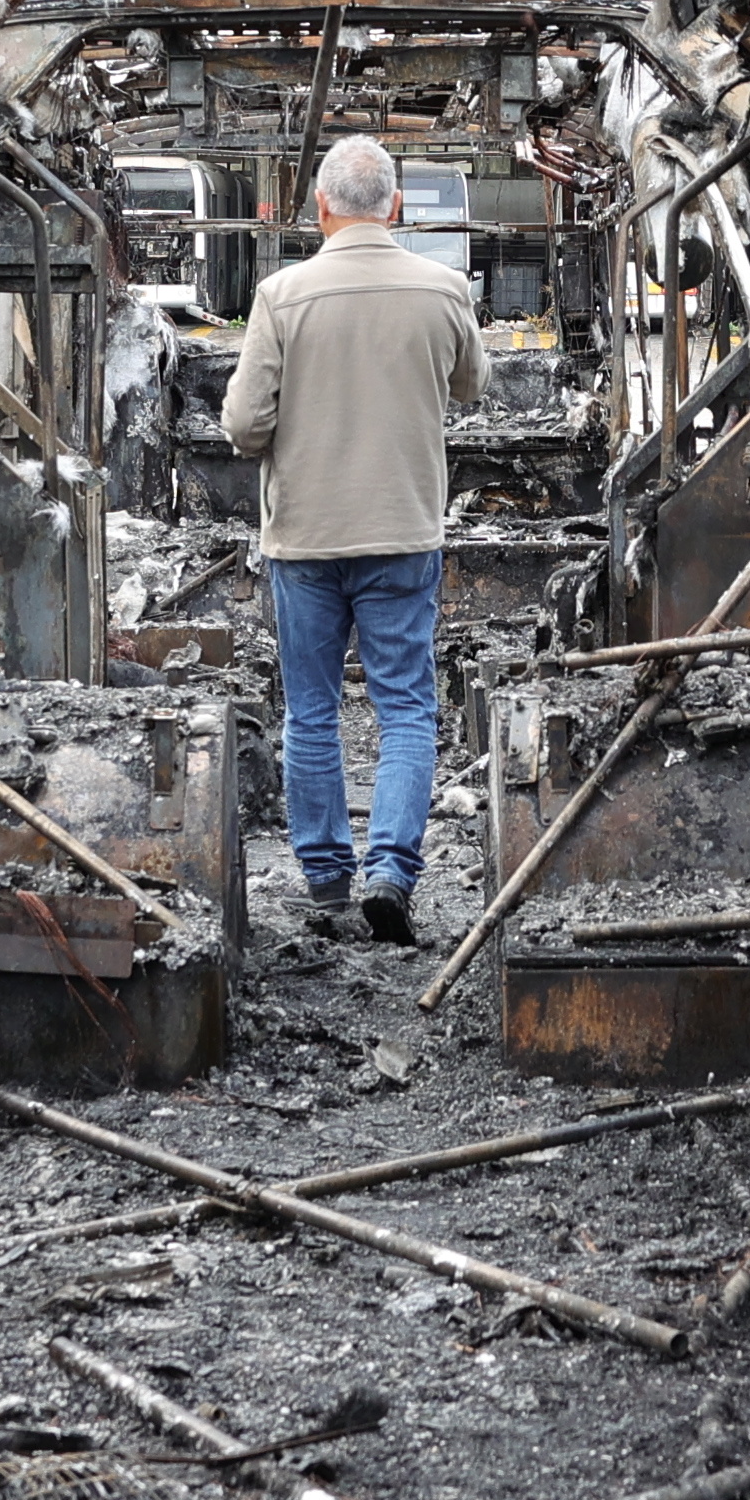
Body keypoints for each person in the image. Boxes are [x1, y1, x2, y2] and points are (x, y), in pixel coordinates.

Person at [217, 133, 488, 940]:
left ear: (321, 208)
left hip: (304, 537)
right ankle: (393, 872)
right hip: (403, 530)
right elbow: (471, 385)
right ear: (397, 208)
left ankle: (328, 875)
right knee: (407, 707)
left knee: (311, 709)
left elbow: (241, 425)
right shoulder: (444, 290)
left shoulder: (281, 295)